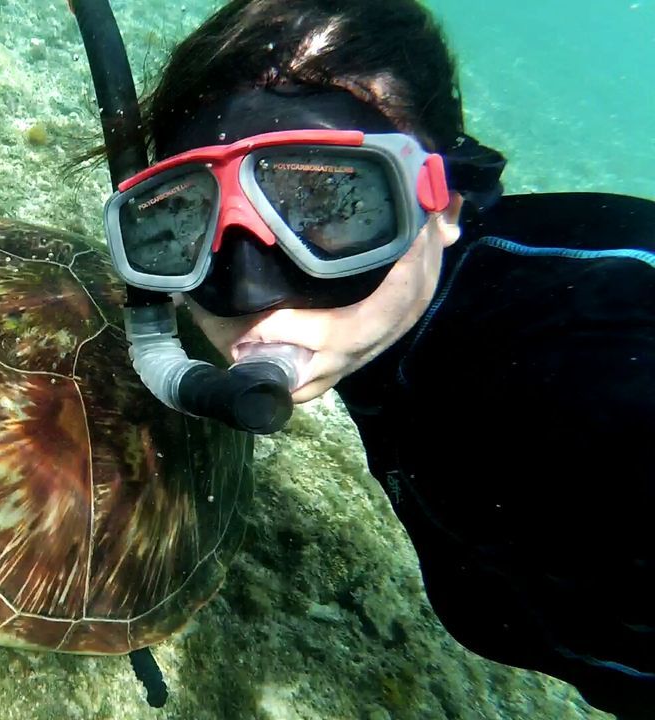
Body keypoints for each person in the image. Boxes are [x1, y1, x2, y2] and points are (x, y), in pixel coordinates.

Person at [75, 0, 655, 716]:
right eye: (181, 221)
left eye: (327, 203)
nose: (252, 290)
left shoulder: (594, 365)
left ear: (444, 200)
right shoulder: (384, 316)